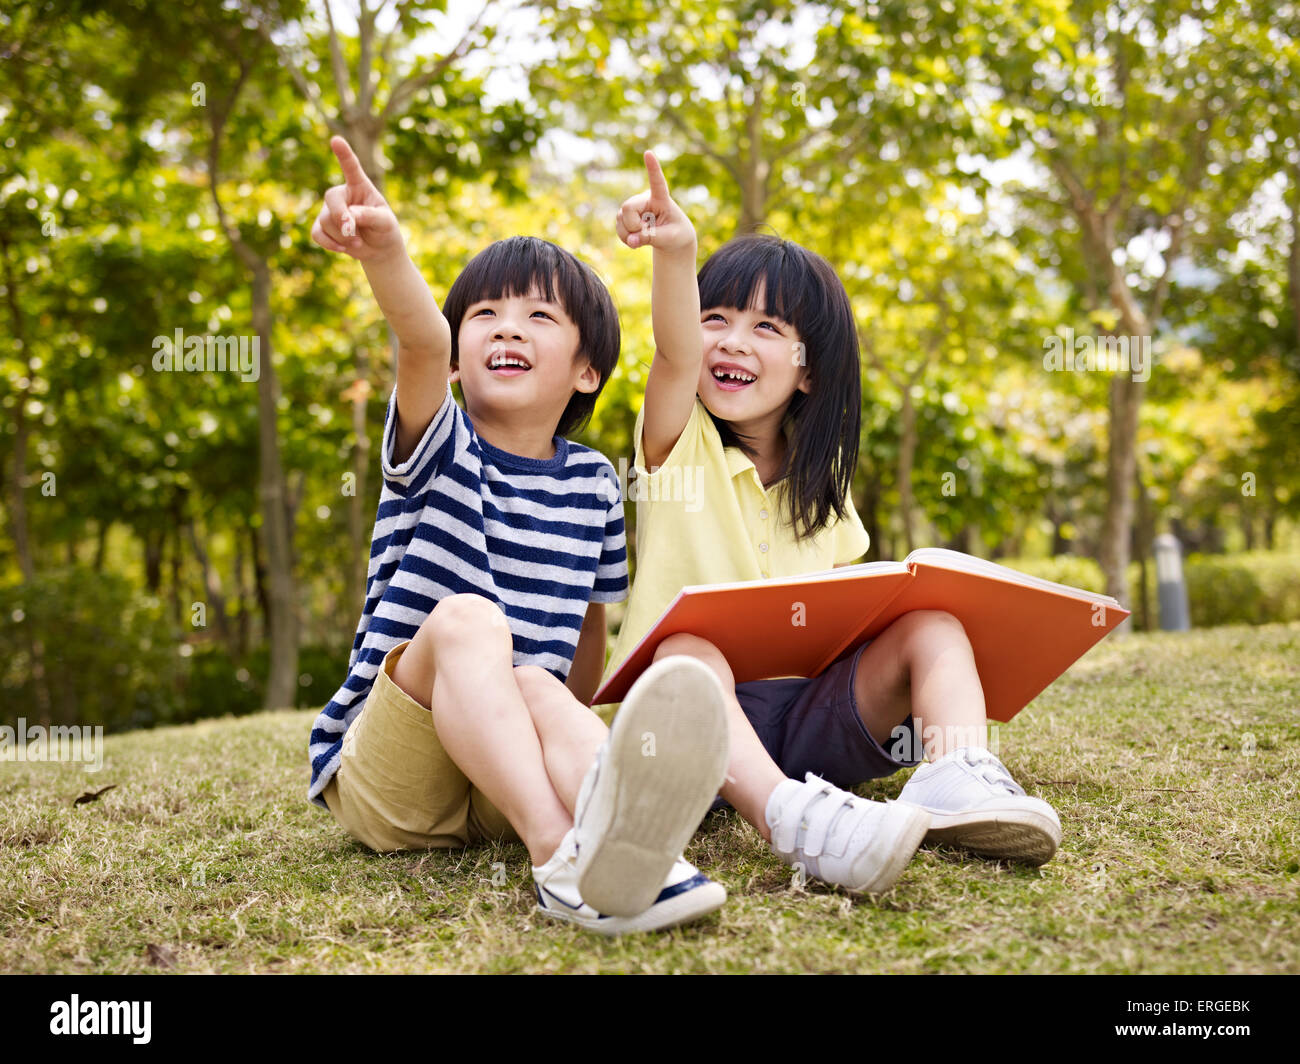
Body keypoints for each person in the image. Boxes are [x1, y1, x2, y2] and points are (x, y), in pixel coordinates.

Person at [604, 151, 1063, 894]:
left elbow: (834, 633)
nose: (730, 341)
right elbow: (671, 349)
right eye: (715, 318)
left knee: (934, 625)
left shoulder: (827, 491)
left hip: (811, 725)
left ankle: (957, 780)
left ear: (808, 367)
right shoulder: (675, 445)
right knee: (686, 648)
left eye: (764, 327)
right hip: (694, 733)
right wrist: (677, 253)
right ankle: (791, 818)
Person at [306, 137, 730, 934]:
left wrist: (575, 734)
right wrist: (387, 248)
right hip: (394, 785)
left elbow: (588, 648)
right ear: (461, 360)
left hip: (500, 776)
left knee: (539, 681)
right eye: (486, 316)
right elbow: (419, 337)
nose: (506, 329)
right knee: (474, 623)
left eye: (539, 316)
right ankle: (559, 858)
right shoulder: (439, 443)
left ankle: (631, 840)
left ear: (587, 371)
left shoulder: (596, 482)